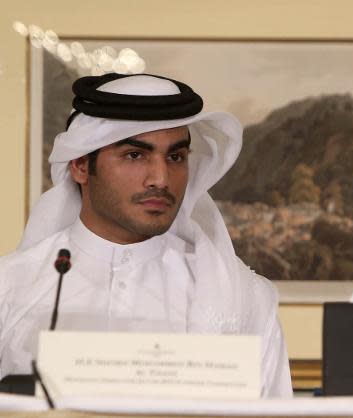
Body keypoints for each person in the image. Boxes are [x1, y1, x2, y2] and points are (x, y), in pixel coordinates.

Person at [0, 73, 292, 397]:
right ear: (81, 165)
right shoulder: (10, 290)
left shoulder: (244, 298)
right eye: (135, 155)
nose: (161, 178)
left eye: (176, 157)